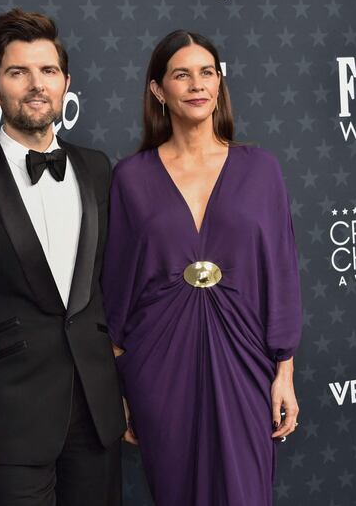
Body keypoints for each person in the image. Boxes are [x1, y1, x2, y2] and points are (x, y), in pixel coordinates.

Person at [0, 8, 125, 506]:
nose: (36, 85)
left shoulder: (98, 169)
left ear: (66, 83)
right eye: (18, 72)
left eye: (48, 71)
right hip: (6, 425)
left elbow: (107, 289)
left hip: (96, 416)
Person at [102, 30, 303, 506]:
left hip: (245, 361)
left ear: (219, 84)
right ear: (158, 90)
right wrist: (122, 387)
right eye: (181, 74)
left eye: (207, 72)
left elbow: (281, 271)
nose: (197, 85)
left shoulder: (261, 169)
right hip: (159, 366)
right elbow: (117, 286)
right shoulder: (130, 177)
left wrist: (285, 371)